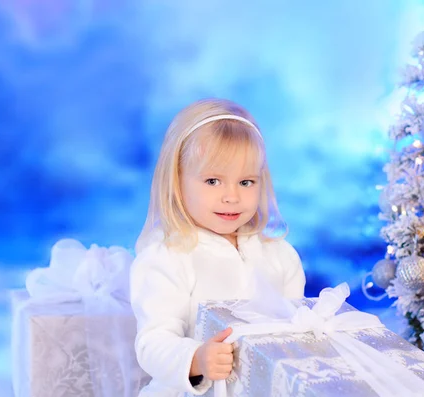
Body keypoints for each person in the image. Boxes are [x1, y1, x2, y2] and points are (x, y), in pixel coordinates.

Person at [130, 98, 306, 396]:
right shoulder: (169, 257)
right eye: (213, 181)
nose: (231, 196)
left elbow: (295, 327)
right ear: (177, 182)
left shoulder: (279, 254)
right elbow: (153, 341)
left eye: (246, 182)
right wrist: (196, 359)